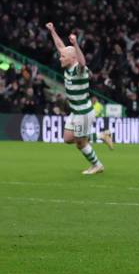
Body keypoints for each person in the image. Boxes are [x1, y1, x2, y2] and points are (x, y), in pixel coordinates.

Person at [45, 23, 114, 174]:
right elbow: (60, 46)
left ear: (71, 58)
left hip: (83, 112)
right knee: (68, 138)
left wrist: (75, 44)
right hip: (75, 111)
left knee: (80, 143)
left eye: (63, 56)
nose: (60, 58)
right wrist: (53, 31)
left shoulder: (78, 70)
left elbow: (82, 62)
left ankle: (97, 165)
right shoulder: (69, 64)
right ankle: (101, 135)